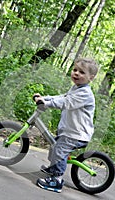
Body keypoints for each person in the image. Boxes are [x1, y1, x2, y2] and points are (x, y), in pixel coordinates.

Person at [33, 58, 99, 193]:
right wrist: (45, 98)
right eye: (75, 70)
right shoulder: (76, 88)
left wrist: (46, 104)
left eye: (82, 72)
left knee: (59, 151)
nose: (76, 73)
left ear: (90, 78)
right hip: (69, 131)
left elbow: (66, 102)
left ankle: (56, 181)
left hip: (77, 134)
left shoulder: (85, 93)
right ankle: (53, 168)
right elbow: (61, 97)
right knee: (54, 147)